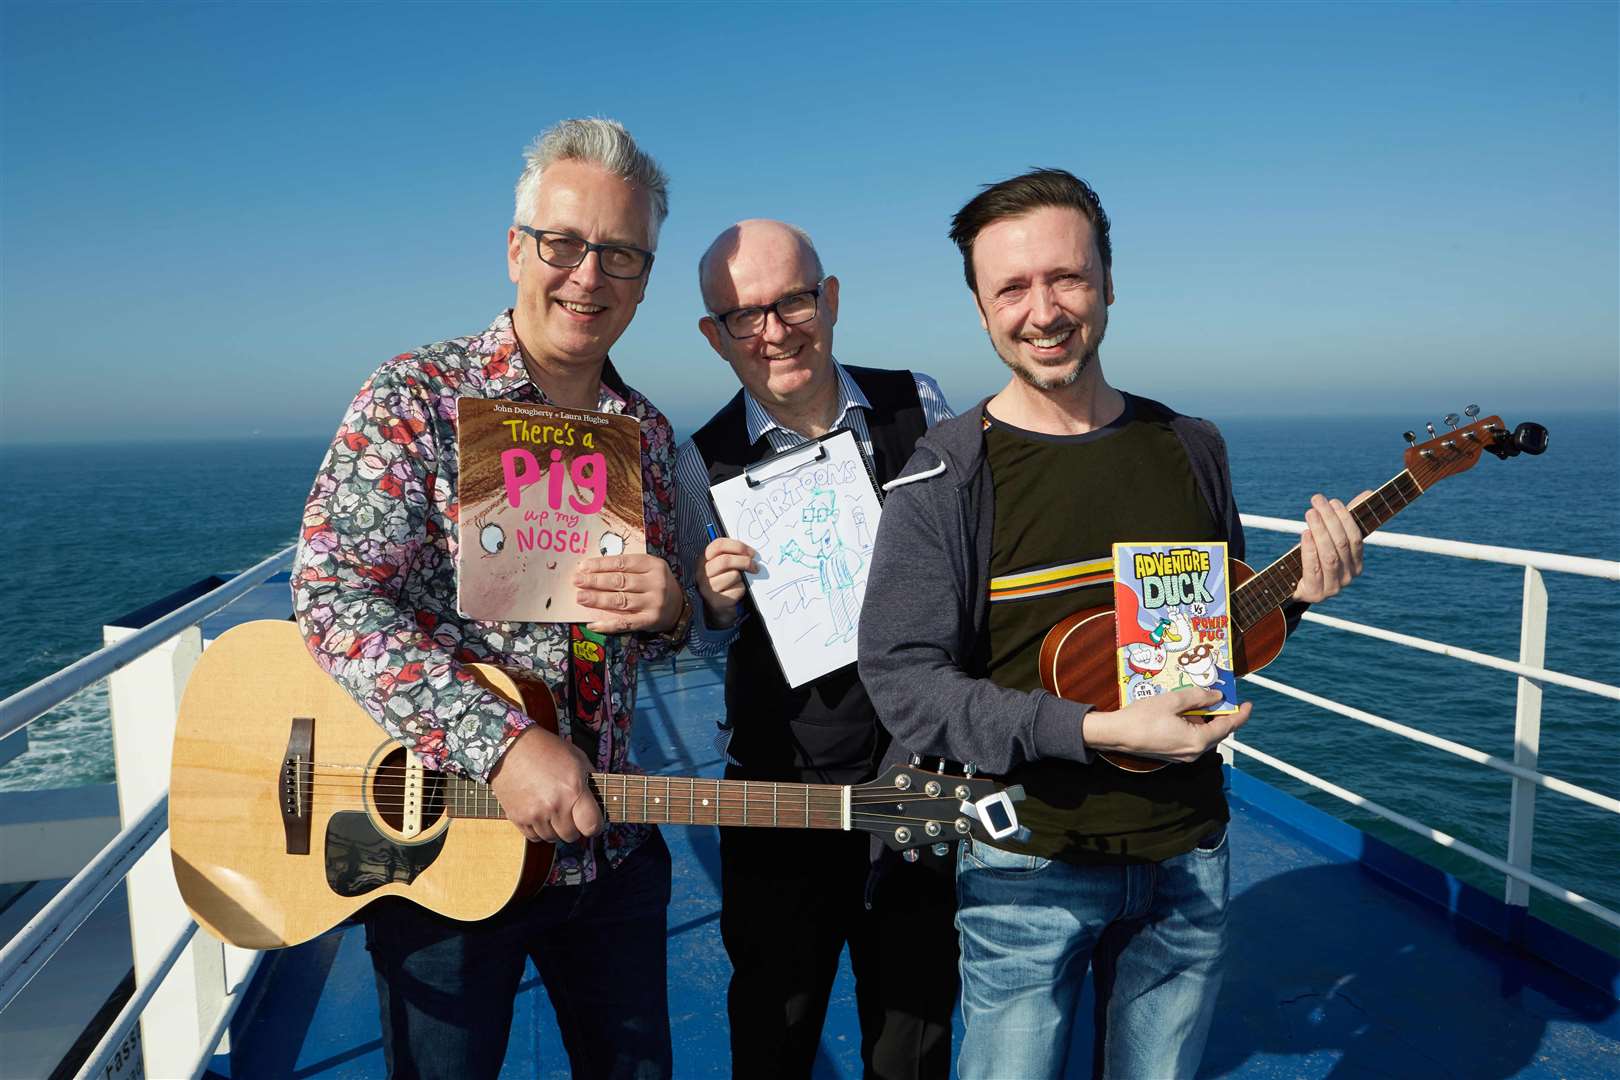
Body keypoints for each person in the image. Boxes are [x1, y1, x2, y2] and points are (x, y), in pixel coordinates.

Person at [857, 169, 1366, 1080]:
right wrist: (1092, 730)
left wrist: (1297, 597)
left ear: (1109, 282)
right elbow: (905, 683)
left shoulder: (1190, 447)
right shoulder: (949, 476)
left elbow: (1209, 642)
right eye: (1011, 287)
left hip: (1190, 854)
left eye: (1067, 278)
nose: (1043, 311)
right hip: (1024, 861)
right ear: (980, 309)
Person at [291, 118, 692, 1080]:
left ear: (644, 278)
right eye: (564, 244)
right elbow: (334, 596)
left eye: (622, 254)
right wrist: (502, 745)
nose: (588, 276)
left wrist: (671, 609)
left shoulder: (647, 433)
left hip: (609, 850)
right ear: (518, 248)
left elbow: (654, 644)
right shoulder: (417, 398)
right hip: (446, 848)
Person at [672, 220, 958, 1079]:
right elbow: (694, 624)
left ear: (829, 299)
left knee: (915, 1019)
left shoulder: (921, 403)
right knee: (774, 1018)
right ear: (713, 337)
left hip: (919, 767)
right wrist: (713, 603)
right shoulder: (698, 464)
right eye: (742, 315)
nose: (774, 331)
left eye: (793, 300)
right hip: (779, 782)